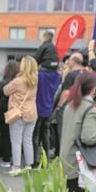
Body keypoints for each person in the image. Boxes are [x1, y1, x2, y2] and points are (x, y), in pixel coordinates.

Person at [58, 70, 96, 192]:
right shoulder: (90, 109)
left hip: (66, 159)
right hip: (79, 165)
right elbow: (89, 137)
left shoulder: (70, 104)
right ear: (93, 88)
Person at [2, 55, 39, 175]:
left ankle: (16, 167)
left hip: (19, 114)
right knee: (28, 140)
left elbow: (5, 90)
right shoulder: (35, 79)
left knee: (16, 141)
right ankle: (29, 165)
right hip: (32, 113)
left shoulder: (18, 81)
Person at [32, 32, 61, 167]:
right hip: (49, 108)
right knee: (46, 133)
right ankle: (45, 161)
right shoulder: (57, 76)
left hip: (39, 107)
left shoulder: (41, 75)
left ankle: (35, 159)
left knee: (36, 134)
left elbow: (34, 59)